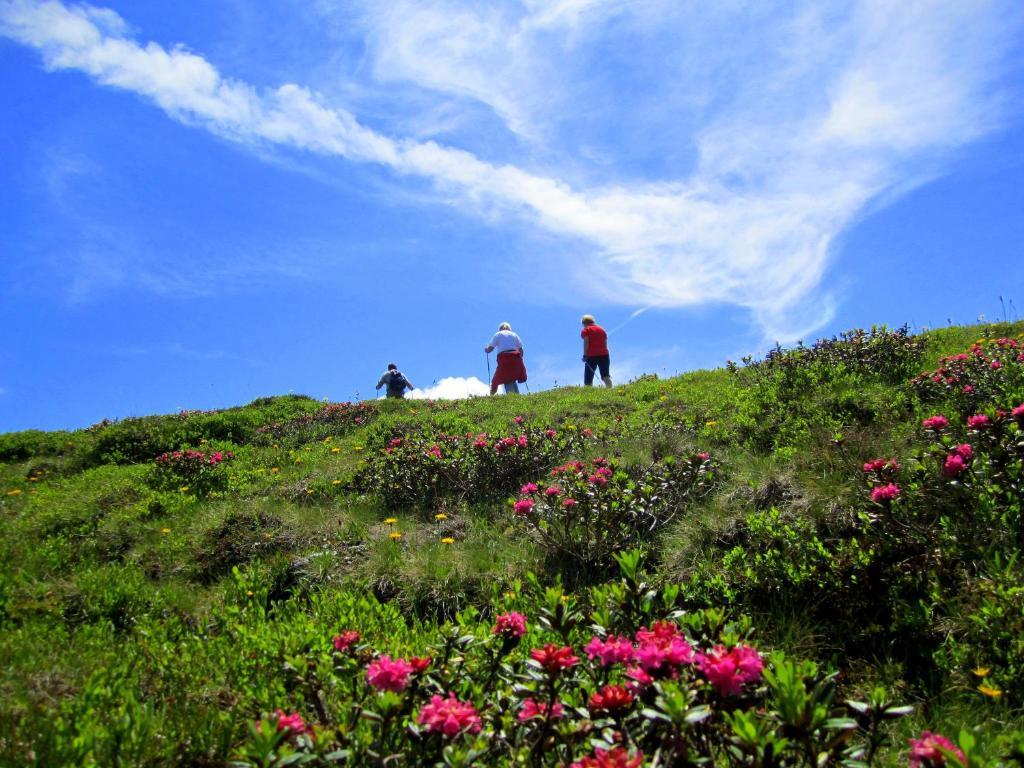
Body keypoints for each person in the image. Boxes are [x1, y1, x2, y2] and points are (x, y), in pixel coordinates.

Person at [484, 322, 527, 395]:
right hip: (516, 358)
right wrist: (520, 360)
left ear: (500, 329)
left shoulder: (498, 334)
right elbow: (521, 350)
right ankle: (517, 396)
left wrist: (486, 349)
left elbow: (490, 349)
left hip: (504, 358)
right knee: (512, 377)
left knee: (503, 377)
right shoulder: (515, 335)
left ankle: (493, 393)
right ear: (509, 328)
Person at [581, 314, 612, 387]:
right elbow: (605, 342)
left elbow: (586, 343)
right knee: (605, 375)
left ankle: (588, 394)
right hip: (604, 355)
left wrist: (585, 355)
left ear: (584, 323)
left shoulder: (586, 330)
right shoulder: (602, 329)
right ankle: (610, 390)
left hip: (591, 356)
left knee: (588, 378)